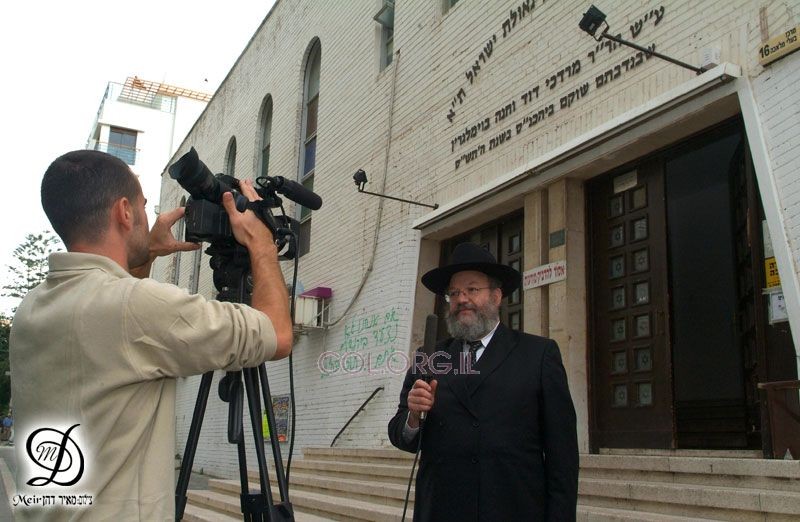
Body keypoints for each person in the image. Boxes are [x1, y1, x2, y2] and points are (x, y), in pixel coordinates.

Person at [10, 150, 293, 520]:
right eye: (144, 207)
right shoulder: (137, 308)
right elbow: (278, 334)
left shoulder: (32, 308)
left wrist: (144, 255)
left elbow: (117, 323)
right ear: (124, 212)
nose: (149, 217)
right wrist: (262, 244)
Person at [388, 242, 579, 521]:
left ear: (497, 296)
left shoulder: (538, 355)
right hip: (443, 509)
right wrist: (413, 417)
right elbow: (400, 435)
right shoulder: (429, 357)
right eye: (454, 293)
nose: (461, 298)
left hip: (513, 508)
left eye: (472, 289)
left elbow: (563, 456)